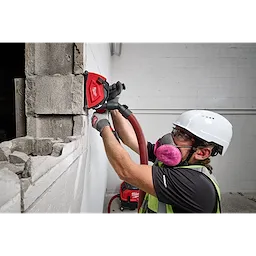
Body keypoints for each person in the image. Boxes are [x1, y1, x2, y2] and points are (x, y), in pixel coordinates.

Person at [91, 107, 233, 216]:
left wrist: (103, 126)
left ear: (201, 153)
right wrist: (114, 109)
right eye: (174, 131)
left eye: (181, 135)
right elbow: (131, 140)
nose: (170, 138)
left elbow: (126, 171)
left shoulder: (193, 184)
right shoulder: (176, 162)